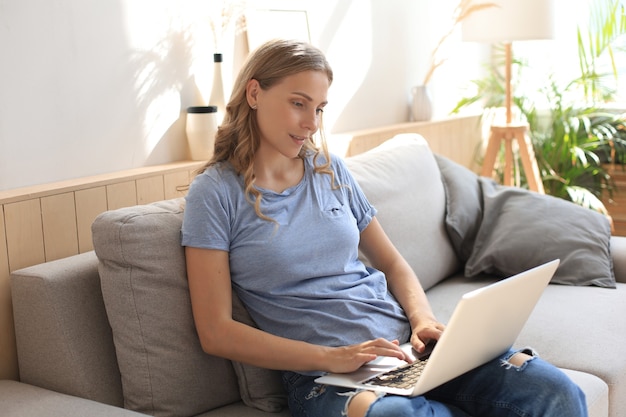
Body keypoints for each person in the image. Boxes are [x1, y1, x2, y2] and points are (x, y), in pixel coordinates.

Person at [181, 39, 587, 417]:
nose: (311, 123)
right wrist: (330, 358)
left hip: (405, 348)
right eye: (298, 104)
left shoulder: (329, 171)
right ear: (254, 94)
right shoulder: (214, 194)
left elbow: (392, 264)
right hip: (325, 376)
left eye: (319, 108)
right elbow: (216, 332)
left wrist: (423, 320)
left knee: (558, 393)